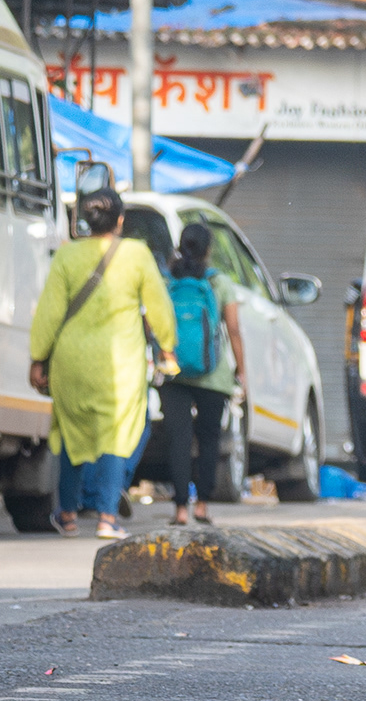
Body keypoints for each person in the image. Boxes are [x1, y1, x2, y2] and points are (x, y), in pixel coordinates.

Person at [28, 185, 179, 542]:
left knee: (70, 432)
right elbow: (158, 305)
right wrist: (167, 348)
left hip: (70, 361)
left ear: (86, 221)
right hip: (120, 363)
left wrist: (38, 357)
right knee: (116, 434)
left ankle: (67, 515)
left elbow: (49, 311)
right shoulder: (137, 254)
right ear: (120, 220)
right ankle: (107, 518)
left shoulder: (67, 256)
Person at [160, 218, 246, 522]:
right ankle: (202, 506)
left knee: (179, 440)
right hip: (214, 375)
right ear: (208, 250)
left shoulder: (167, 282)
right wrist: (241, 371)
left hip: (173, 373)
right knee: (209, 439)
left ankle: (180, 509)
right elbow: (233, 329)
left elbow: (153, 322)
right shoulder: (219, 283)